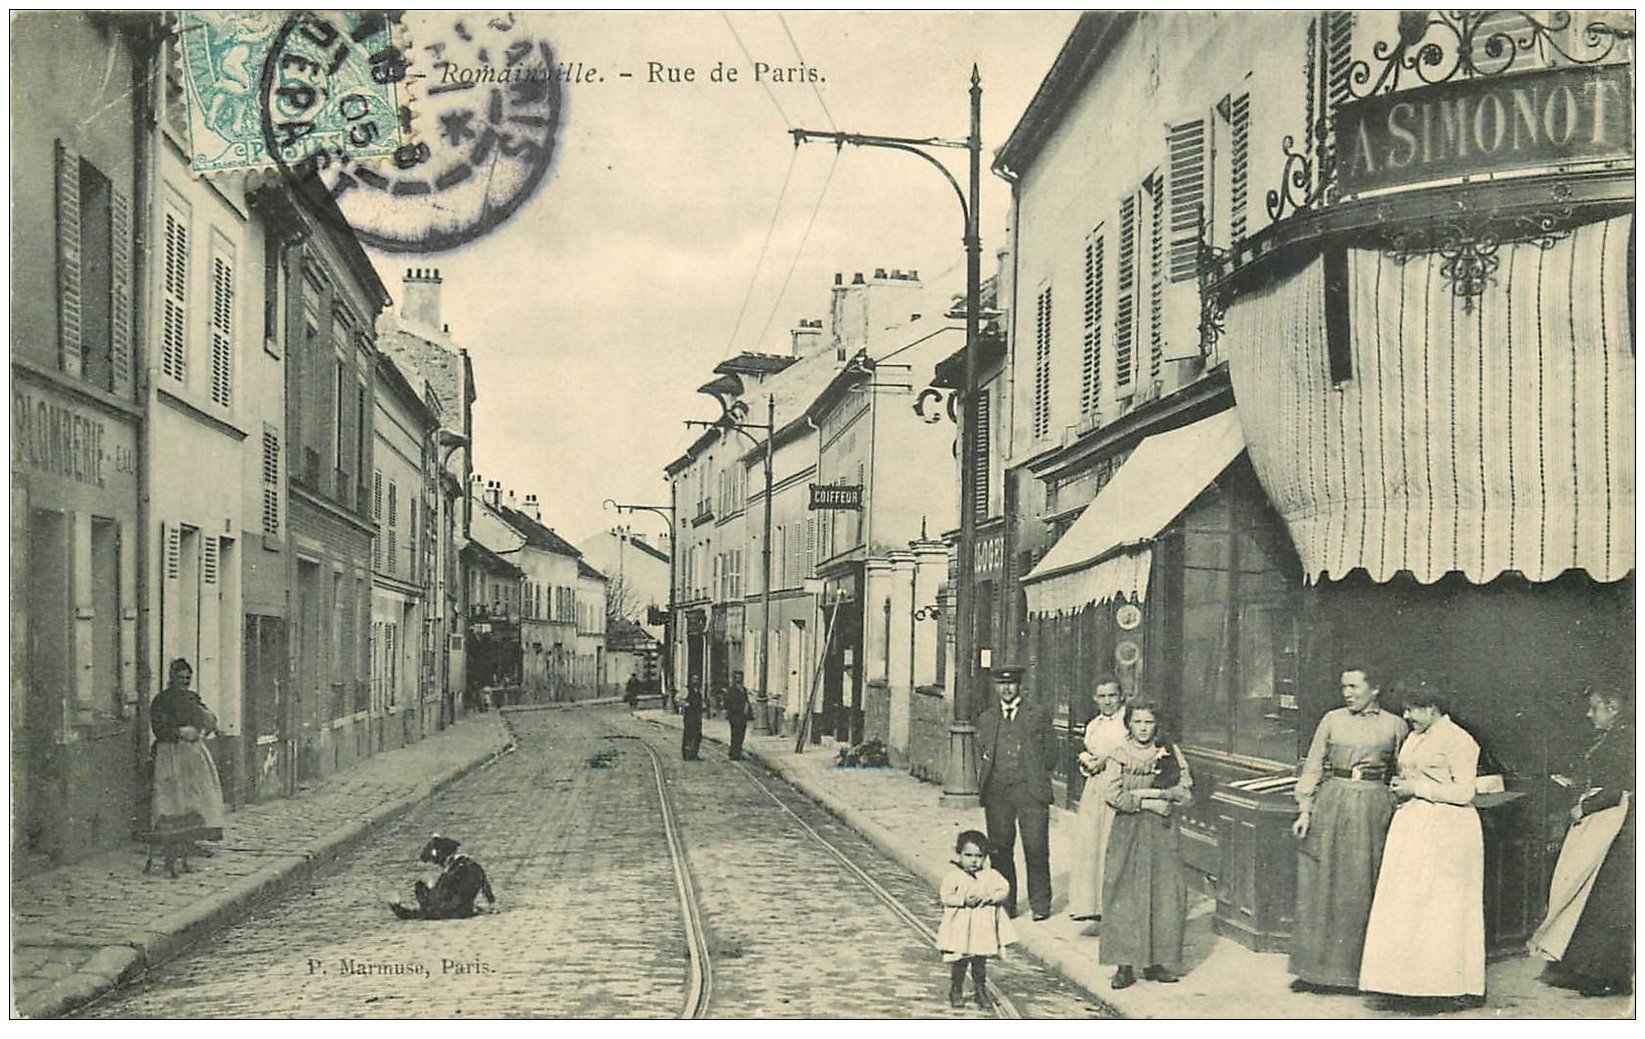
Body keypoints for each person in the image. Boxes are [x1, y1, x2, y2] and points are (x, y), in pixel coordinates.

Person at [1359, 683, 1486, 1009]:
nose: (1406, 716)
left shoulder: (1460, 741)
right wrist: (1401, 785)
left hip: (1448, 829)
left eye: (1412, 709)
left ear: (1431, 708)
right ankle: (1404, 984)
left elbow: (1464, 793)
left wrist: (1416, 787)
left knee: (1441, 907)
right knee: (1407, 903)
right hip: (1413, 825)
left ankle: (1445, 987)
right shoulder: (1416, 736)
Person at [1288, 666, 1407, 992]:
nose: (1347, 692)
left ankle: (1361, 974)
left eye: (1354, 686)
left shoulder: (1395, 725)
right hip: (1332, 802)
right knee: (1323, 885)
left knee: (1362, 885)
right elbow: (1313, 767)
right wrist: (1305, 811)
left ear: (1375, 688)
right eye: (1344, 686)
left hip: (1373, 807)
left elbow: (1405, 771)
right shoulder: (1332, 720)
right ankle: (1315, 972)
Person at [1529, 686, 1634, 997]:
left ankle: (1602, 974)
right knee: (1590, 896)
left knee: (1604, 900)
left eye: (1595, 708)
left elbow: (1617, 787)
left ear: (1613, 708)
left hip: (1616, 826)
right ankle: (1586, 969)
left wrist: (1584, 806)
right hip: (1603, 822)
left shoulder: (1625, 739)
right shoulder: (1611, 737)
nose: (1589, 714)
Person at [1099, 701, 1192, 989]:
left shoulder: (1169, 752)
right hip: (1129, 829)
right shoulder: (1120, 753)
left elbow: (1185, 793)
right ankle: (1124, 964)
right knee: (1124, 891)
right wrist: (1151, 801)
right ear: (1128, 724)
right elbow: (1113, 794)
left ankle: (1156, 961)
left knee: (1164, 892)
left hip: (1162, 833)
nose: (1142, 728)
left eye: (1148, 722)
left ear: (1156, 724)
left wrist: (1149, 793)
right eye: (1137, 722)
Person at [975, 665, 1057, 921]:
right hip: (998, 793)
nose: (1007, 688)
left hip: (1030, 792)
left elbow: (1051, 752)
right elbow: (984, 751)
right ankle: (1007, 902)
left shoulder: (1037, 714)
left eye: (1011, 684)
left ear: (1020, 685)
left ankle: (1040, 904)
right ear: (996, 687)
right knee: (1000, 850)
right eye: (1001, 684)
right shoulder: (987, 718)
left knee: (1035, 848)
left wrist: (1035, 775)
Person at [147, 658, 225, 878]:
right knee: (173, 799)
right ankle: (171, 842)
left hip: (192, 756)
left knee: (196, 797)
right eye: (180, 678)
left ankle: (190, 841)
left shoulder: (192, 699)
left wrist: (202, 728)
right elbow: (159, 729)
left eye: (187, 678)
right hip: (170, 754)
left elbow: (209, 720)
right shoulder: (161, 701)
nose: (184, 682)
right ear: (171, 677)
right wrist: (180, 733)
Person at [1068, 676, 1129, 924]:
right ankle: (1089, 903)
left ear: (1121, 696)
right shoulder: (1093, 725)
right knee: (1090, 843)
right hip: (1094, 789)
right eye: (1102, 696)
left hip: (1117, 786)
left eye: (1112, 696)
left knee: (1109, 843)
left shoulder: (1126, 723)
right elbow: (1088, 751)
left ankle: (1111, 904)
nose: (1107, 701)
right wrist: (1087, 762)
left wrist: (1108, 759)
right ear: (1095, 699)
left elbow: (1129, 751)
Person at [936, 830, 1017, 1009]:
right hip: (961, 926)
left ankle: (980, 990)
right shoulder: (954, 876)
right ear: (959, 854)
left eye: (979, 856)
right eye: (968, 855)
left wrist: (990, 897)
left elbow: (1003, 889)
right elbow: (945, 896)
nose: (974, 861)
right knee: (960, 960)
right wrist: (962, 900)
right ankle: (956, 989)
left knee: (980, 960)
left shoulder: (991, 875)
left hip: (982, 927)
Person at [724, 674, 751, 761]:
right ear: (735, 679)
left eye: (740, 678)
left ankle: (738, 752)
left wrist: (747, 711)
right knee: (735, 734)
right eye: (737, 678)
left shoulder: (744, 689)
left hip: (742, 715)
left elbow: (746, 701)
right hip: (734, 715)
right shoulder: (731, 689)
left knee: (741, 735)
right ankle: (733, 753)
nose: (739, 679)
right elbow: (727, 702)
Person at [681, 682, 704, 761]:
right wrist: (685, 704)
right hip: (689, 716)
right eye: (694, 679)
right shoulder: (686, 690)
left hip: (697, 715)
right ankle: (686, 754)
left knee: (697, 735)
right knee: (688, 734)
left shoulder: (698, 690)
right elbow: (678, 699)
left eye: (697, 679)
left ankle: (694, 754)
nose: (695, 681)